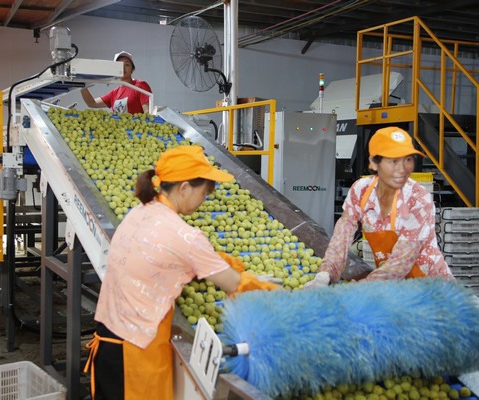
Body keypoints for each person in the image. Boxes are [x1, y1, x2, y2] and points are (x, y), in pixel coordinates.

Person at [83, 145, 278, 399]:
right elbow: (234, 284)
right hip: (135, 357)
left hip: (108, 342)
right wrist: (276, 292)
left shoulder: (140, 212)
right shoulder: (185, 236)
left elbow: (166, 259)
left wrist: (217, 263)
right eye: (204, 193)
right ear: (184, 188)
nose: (204, 201)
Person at [306, 126, 453, 288]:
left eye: (407, 160)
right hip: (394, 288)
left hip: (432, 286)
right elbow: (342, 236)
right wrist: (325, 273)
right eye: (393, 161)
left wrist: (360, 287)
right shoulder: (361, 191)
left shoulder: (418, 198)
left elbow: (402, 262)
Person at [81, 51, 152, 114]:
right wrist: (81, 83)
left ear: (132, 69)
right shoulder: (114, 93)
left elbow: (147, 113)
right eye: (119, 65)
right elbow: (92, 103)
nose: (123, 68)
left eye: (127, 65)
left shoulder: (140, 86)